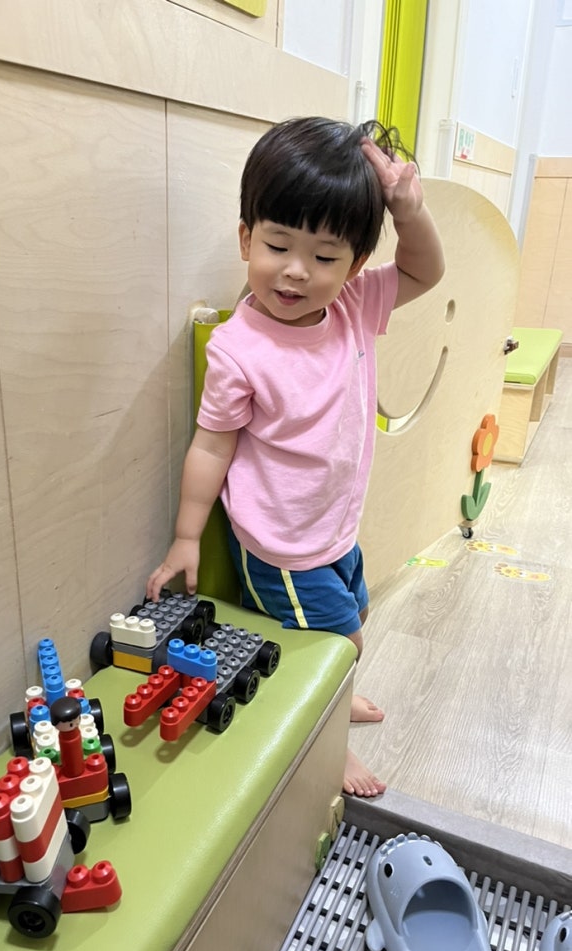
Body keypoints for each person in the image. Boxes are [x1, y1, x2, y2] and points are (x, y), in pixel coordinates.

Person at [146, 117, 444, 797]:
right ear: (246, 238)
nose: (296, 270)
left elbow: (425, 269)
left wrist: (408, 210)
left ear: (355, 265)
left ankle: (334, 695)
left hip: (334, 529)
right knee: (334, 648)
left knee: (353, 622)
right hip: (280, 546)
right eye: (277, 244)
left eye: (324, 256)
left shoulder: (355, 306)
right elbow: (211, 443)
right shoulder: (239, 348)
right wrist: (186, 535)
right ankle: (327, 744)